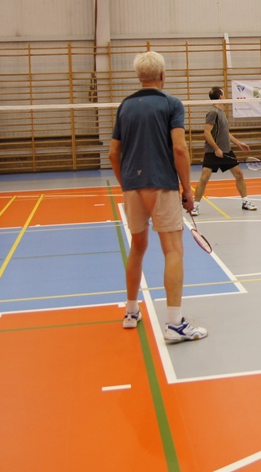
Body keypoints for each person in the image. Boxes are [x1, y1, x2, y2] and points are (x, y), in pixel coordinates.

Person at [109, 50, 206, 342]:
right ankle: (174, 324)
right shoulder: (171, 104)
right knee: (173, 250)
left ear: (139, 76)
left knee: (137, 247)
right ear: (163, 75)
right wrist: (187, 189)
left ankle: (130, 311)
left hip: (132, 186)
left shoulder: (125, 106)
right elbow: (179, 148)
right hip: (162, 184)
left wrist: (126, 184)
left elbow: (113, 153)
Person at [191, 86, 257, 216]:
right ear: (220, 96)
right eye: (223, 94)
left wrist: (239, 144)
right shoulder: (213, 112)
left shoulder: (221, 113)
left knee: (239, 174)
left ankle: (245, 201)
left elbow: (225, 133)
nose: (225, 96)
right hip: (212, 152)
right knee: (204, 178)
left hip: (226, 151)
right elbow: (206, 133)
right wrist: (216, 149)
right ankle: (195, 206)